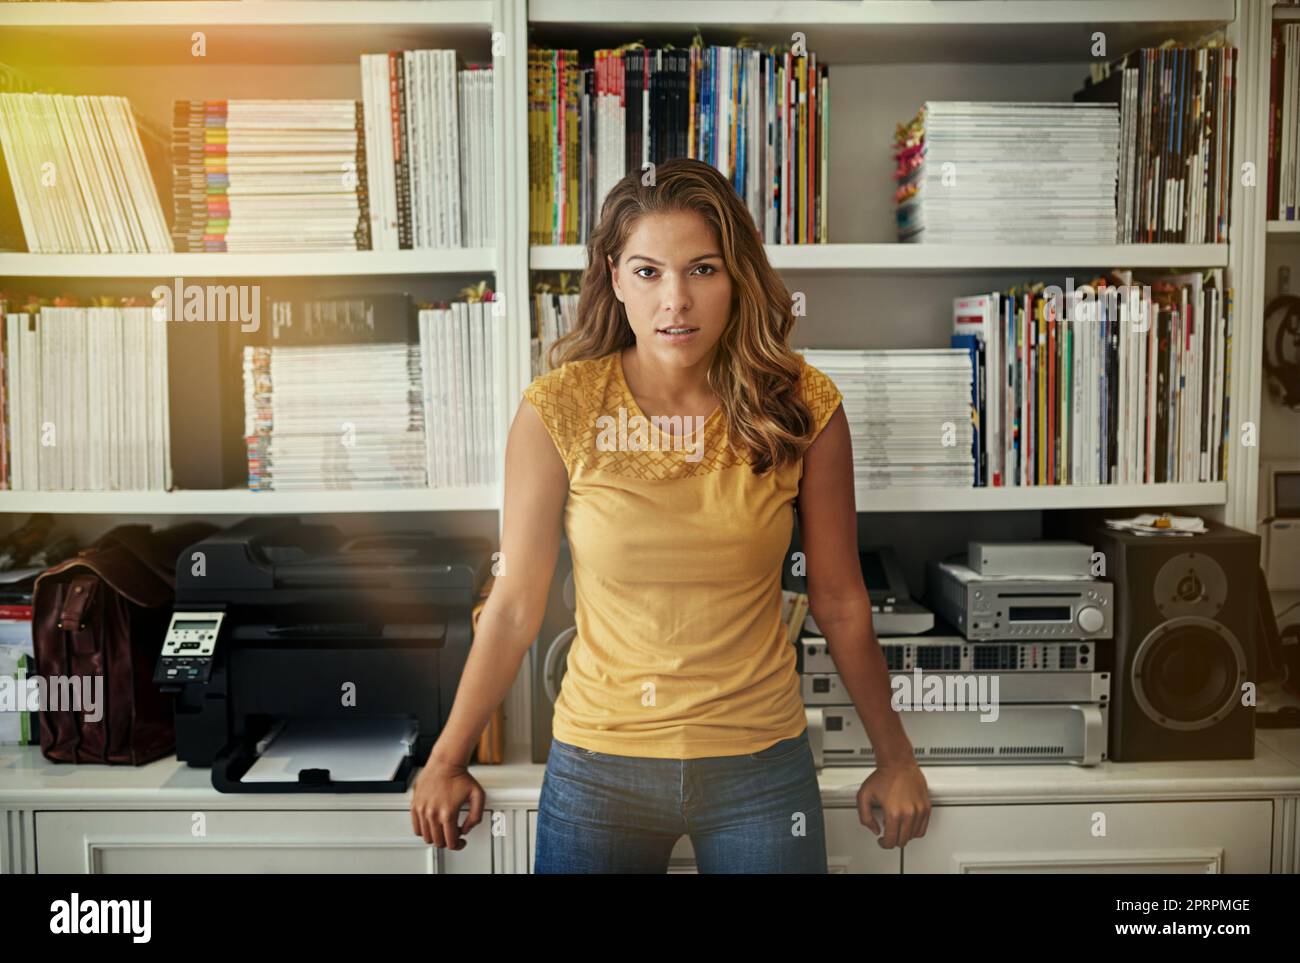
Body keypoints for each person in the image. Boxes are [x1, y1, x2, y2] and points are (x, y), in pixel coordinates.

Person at [409, 157, 930, 873]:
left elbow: (840, 599)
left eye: (703, 270)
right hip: (599, 764)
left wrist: (894, 756)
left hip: (760, 764)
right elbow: (515, 603)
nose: (675, 300)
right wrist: (447, 756)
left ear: (736, 276)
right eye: (649, 272)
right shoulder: (557, 410)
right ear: (615, 278)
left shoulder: (804, 407)